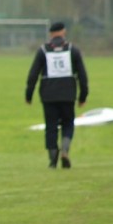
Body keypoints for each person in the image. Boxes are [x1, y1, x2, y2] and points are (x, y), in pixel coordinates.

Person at [26, 21, 89, 169]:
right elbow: (83, 76)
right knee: (68, 123)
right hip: (68, 94)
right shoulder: (73, 50)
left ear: (51, 34)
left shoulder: (43, 50)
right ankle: (65, 150)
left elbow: (33, 75)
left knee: (51, 126)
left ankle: (53, 159)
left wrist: (29, 94)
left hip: (48, 95)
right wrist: (83, 96)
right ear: (63, 32)